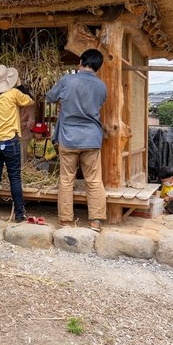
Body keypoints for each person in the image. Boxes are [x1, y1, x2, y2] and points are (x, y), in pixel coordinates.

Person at [46, 49, 107, 232]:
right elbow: (99, 104)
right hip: (91, 137)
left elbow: (50, 97)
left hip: (68, 137)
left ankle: (65, 220)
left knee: (66, 180)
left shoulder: (67, 80)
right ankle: (95, 221)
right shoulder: (101, 86)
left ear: (81, 61)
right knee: (94, 180)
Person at [0, 65, 33, 223]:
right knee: (15, 178)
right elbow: (30, 100)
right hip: (10, 142)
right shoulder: (13, 93)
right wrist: (20, 85)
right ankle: (19, 214)